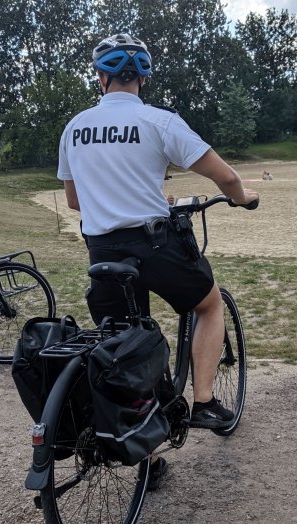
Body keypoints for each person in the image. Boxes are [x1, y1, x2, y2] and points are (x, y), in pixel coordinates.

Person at [57, 34, 259, 489]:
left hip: (103, 252)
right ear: (143, 77)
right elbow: (225, 175)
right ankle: (205, 401)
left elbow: (74, 201)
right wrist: (243, 198)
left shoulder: (75, 128)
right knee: (207, 305)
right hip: (154, 246)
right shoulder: (159, 122)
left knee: (128, 347)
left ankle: (144, 457)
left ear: (100, 76)